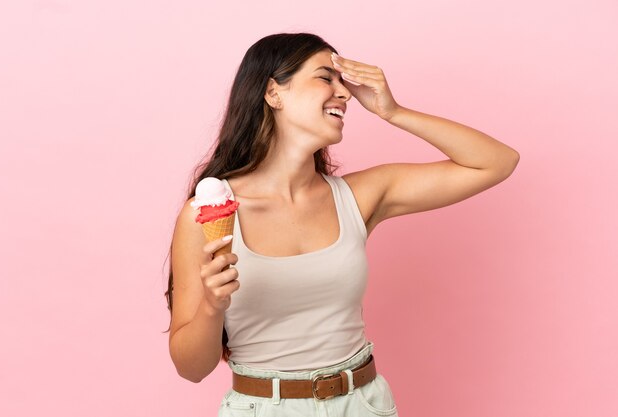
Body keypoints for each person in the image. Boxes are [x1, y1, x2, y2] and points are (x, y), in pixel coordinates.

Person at [164, 33, 519, 416]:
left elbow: (496, 161)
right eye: (325, 77)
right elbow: (190, 369)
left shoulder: (359, 196)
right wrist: (212, 307)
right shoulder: (208, 213)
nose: (345, 94)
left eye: (342, 81)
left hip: (362, 404)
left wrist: (392, 112)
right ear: (273, 93)